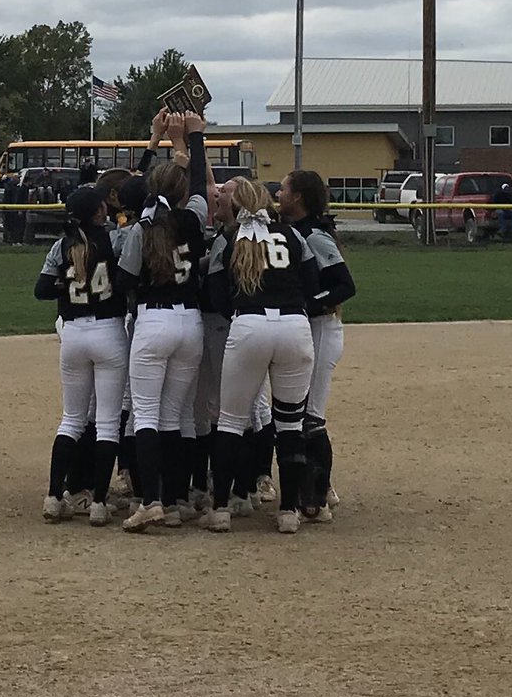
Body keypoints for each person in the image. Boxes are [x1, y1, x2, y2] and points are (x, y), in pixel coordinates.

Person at [204, 177, 318, 535]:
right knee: (290, 425)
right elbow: (314, 282)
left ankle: (221, 508)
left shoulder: (229, 238)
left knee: (231, 422)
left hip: (249, 324)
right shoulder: (292, 234)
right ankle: (288, 511)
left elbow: (215, 294)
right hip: (294, 326)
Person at [116, 112, 208, 532]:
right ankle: (174, 501)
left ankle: (150, 499)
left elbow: (124, 282)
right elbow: (202, 185)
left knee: (148, 415)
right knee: (175, 415)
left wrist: (157, 140)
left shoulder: (143, 228)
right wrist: (193, 138)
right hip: (191, 323)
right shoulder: (192, 218)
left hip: (153, 321)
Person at [34, 187, 129, 526]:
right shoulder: (115, 240)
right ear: (97, 212)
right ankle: (100, 502)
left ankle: (53, 497)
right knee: (106, 422)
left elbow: (41, 290)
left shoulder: (62, 246)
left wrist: (68, 283)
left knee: (71, 419)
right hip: (108, 331)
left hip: (73, 333)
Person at [278, 170, 356, 520]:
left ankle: (319, 494)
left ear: (297, 197)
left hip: (321, 328)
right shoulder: (288, 231)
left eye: (282, 189)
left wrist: (310, 303)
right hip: (301, 329)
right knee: (296, 412)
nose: (278, 194)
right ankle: (312, 488)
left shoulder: (314, 235)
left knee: (311, 416)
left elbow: (344, 285)